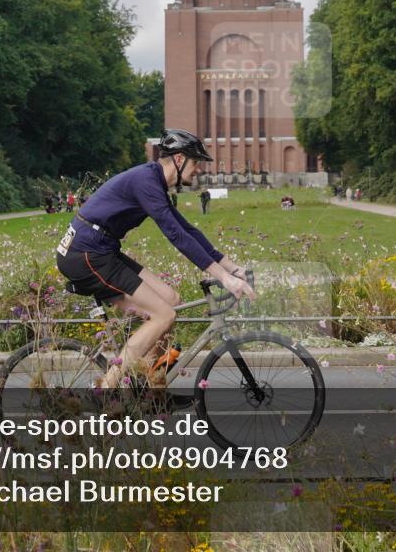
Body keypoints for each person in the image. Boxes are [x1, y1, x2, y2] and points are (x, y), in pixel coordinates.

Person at [55, 128, 255, 388]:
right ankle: (107, 389)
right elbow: (175, 236)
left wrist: (231, 268)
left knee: (171, 300)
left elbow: (187, 230)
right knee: (163, 316)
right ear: (180, 159)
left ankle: (144, 383)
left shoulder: (153, 182)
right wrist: (224, 279)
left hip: (101, 249)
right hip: (85, 254)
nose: (198, 171)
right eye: (196, 163)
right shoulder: (146, 181)